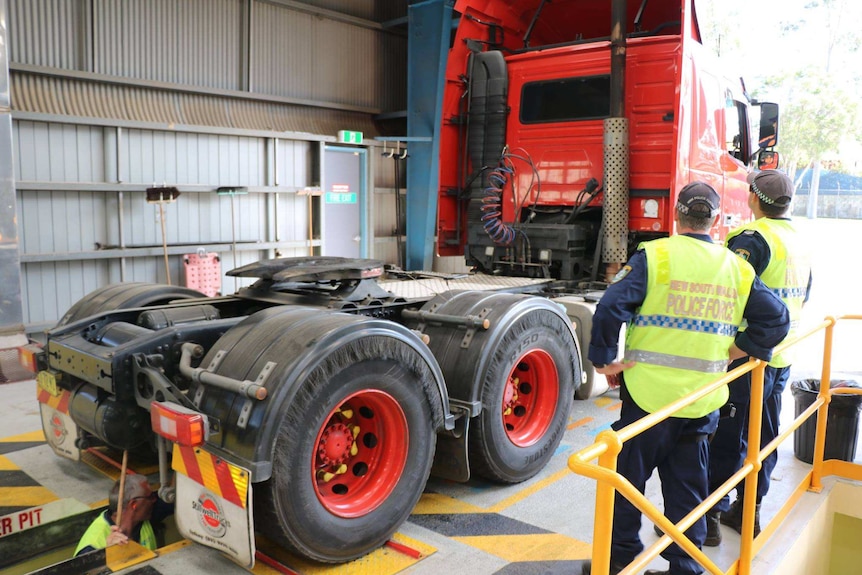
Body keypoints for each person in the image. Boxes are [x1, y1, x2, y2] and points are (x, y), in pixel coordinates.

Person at [580, 182, 790, 575]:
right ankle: (684, 567)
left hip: (648, 400)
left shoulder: (655, 256)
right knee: (689, 492)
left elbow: (609, 307)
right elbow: (777, 319)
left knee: (627, 485)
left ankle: (620, 562)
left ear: (676, 215)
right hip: (701, 403)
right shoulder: (737, 268)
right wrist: (737, 350)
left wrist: (604, 360)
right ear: (714, 220)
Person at [707, 170, 812, 543]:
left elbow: (726, 293)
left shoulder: (752, 239)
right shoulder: (798, 240)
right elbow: (805, 295)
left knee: (725, 436)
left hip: (748, 357)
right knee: (764, 438)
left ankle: (710, 520)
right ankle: (748, 512)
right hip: (781, 357)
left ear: (753, 198)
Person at [74, 473, 173, 556]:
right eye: (150, 497)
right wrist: (107, 555)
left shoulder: (144, 516)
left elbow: (173, 496)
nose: (154, 500)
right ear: (134, 504)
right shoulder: (92, 546)